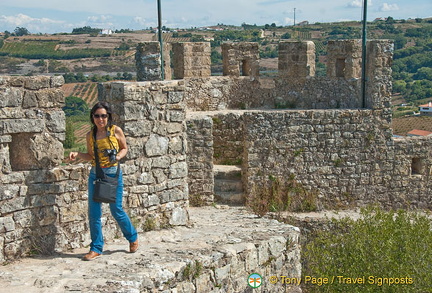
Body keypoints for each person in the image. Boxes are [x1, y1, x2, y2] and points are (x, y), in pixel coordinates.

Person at [69, 101, 138, 261]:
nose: (101, 119)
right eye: (97, 116)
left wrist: (118, 156)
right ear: (92, 117)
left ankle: (132, 237)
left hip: (113, 175)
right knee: (94, 213)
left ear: (108, 117)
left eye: (104, 116)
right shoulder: (90, 135)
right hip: (96, 175)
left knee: (116, 210)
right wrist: (77, 154)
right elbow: (91, 156)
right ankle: (96, 248)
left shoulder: (116, 131)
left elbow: (124, 148)